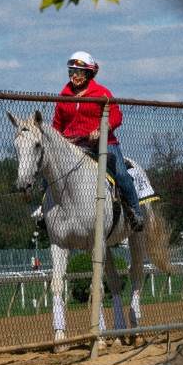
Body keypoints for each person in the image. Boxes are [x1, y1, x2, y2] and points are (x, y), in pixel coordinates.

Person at [49, 51, 143, 231]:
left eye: (78, 71)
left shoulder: (102, 93)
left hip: (104, 144)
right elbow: (57, 124)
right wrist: (56, 141)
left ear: (89, 73)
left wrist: (101, 130)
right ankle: (47, 214)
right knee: (50, 173)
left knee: (122, 174)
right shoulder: (63, 96)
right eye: (71, 71)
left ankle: (136, 212)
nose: (74, 75)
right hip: (72, 145)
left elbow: (116, 115)